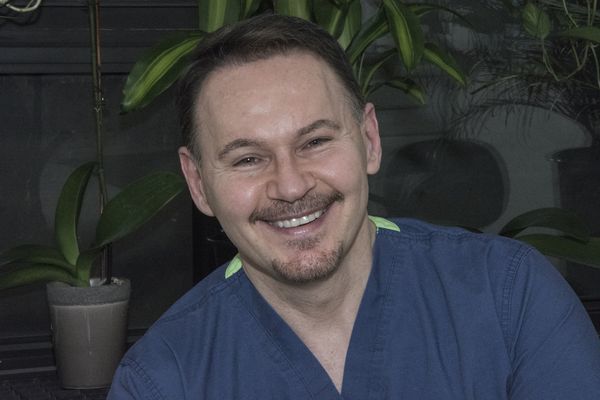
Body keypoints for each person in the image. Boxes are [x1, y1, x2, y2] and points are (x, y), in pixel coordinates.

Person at [108, 14, 600, 399]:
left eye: (315, 141)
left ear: (369, 139)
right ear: (198, 183)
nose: (291, 186)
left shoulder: (509, 297)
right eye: (248, 159)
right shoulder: (163, 380)